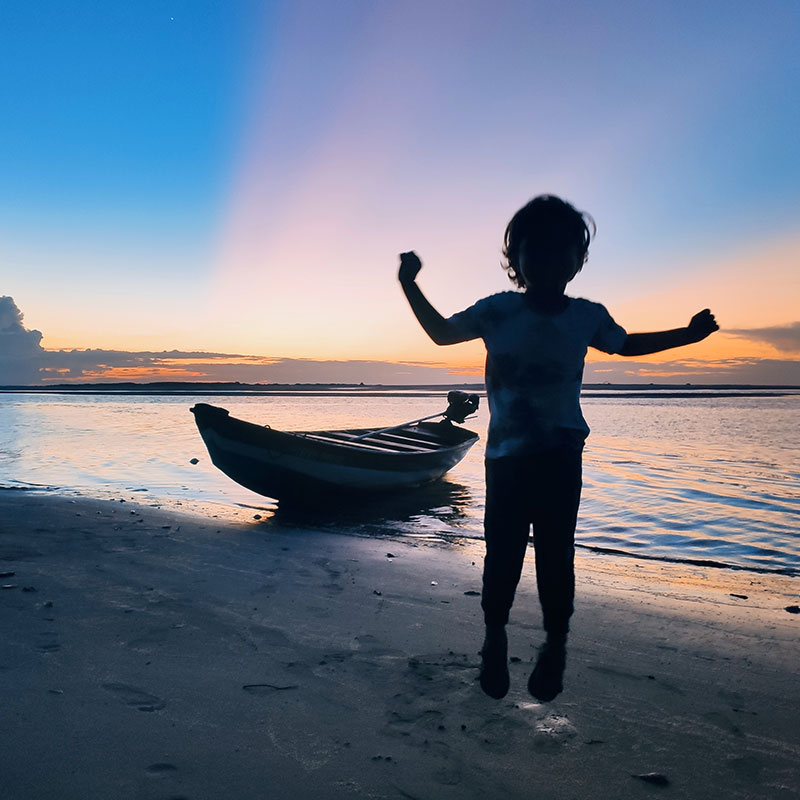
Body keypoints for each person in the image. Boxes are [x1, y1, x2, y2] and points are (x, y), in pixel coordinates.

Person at [398, 194, 719, 702]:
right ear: (517, 259)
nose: (549, 260)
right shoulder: (497, 311)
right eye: (536, 250)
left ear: (577, 260)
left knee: (555, 555)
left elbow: (627, 343)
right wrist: (409, 283)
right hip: (506, 462)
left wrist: (688, 335)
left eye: (561, 251)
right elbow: (440, 334)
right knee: (501, 555)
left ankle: (556, 643)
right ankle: (494, 637)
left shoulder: (587, 317)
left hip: (561, 457)